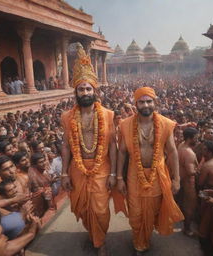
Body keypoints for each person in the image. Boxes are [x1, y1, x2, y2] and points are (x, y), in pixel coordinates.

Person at [61, 44, 117, 256]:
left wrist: (113, 173)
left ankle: (100, 241)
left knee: (101, 210)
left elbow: (113, 145)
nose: (85, 92)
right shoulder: (66, 117)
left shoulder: (108, 114)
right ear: (75, 91)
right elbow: (66, 145)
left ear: (95, 90)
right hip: (77, 168)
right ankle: (94, 236)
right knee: (84, 208)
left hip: (102, 168)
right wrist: (64, 172)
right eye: (81, 89)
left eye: (88, 88)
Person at [117, 87, 183, 255]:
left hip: (157, 174)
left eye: (149, 101)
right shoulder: (125, 125)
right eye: (142, 102)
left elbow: (173, 151)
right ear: (136, 103)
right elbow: (122, 152)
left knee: (152, 211)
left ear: (155, 103)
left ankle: (144, 239)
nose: (146, 105)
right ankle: (139, 241)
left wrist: (176, 179)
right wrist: (119, 177)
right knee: (136, 212)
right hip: (134, 175)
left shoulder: (166, 124)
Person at [178, 127, 198, 236]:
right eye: (196, 137)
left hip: (182, 180)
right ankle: (187, 229)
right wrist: (199, 169)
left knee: (183, 203)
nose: (197, 139)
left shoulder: (181, 145)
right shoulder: (189, 153)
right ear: (190, 138)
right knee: (190, 206)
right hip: (188, 182)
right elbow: (190, 172)